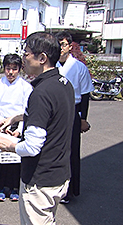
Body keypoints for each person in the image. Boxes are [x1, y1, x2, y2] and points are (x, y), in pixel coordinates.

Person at [0, 32, 75, 224]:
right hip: (60, 174)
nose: (23, 58)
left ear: (42, 58)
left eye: (26, 53)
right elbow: (52, 116)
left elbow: (32, 147)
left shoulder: (41, 93)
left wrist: (11, 146)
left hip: (40, 180)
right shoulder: (63, 84)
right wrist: (17, 117)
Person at [0, 54, 32, 201]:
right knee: (0, 158)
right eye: (8, 69)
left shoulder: (26, 87)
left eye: (14, 69)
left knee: (15, 159)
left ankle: (14, 188)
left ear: (19, 69)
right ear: (4, 68)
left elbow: (27, 110)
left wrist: (19, 128)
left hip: (18, 126)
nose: (10, 72)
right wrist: (0, 123)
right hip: (0, 126)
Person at [55, 31, 94, 203]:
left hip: (73, 110)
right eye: (58, 44)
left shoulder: (79, 67)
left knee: (71, 151)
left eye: (63, 44)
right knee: (55, 150)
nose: (60, 48)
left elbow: (85, 94)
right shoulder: (52, 66)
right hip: (55, 112)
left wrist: (83, 119)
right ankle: (55, 187)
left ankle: (70, 190)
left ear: (70, 46)